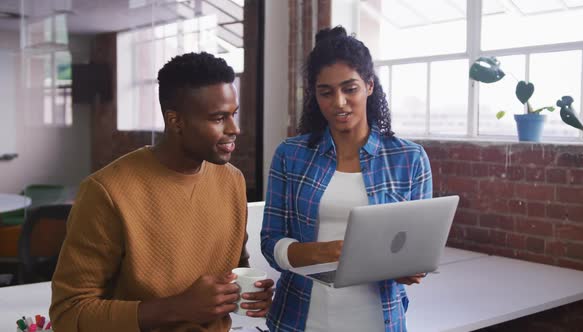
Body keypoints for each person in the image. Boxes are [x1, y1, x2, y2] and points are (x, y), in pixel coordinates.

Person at [50, 52, 274, 332]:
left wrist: (251, 293)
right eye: (218, 118)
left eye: (233, 114)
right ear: (176, 121)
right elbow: (68, 314)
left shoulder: (232, 182)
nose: (235, 129)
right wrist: (178, 308)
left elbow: (233, 268)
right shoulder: (105, 193)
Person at [260, 26, 433, 332]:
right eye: (326, 92)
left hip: (377, 319)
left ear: (368, 86)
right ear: (315, 95)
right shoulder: (291, 154)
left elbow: (415, 249)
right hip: (298, 318)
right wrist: (316, 252)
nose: (338, 102)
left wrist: (411, 268)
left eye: (349, 88)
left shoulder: (409, 158)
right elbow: (270, 240)